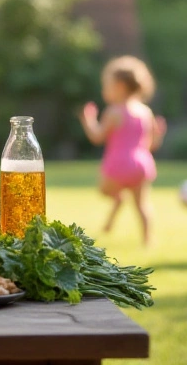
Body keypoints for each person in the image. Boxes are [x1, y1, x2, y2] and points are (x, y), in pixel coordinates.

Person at [79, 56, 166, 247]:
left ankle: (118, 200)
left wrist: (88, 120)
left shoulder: (114, 112)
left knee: (105, 191)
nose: (104, 89)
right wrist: (159, 135)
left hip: (118, 163)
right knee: (142, 205)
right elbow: (151, 145)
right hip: (142, 163)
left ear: (119, 86)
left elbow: (97, 136)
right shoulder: (145, 112)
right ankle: (147, 239)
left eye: (107, 85)